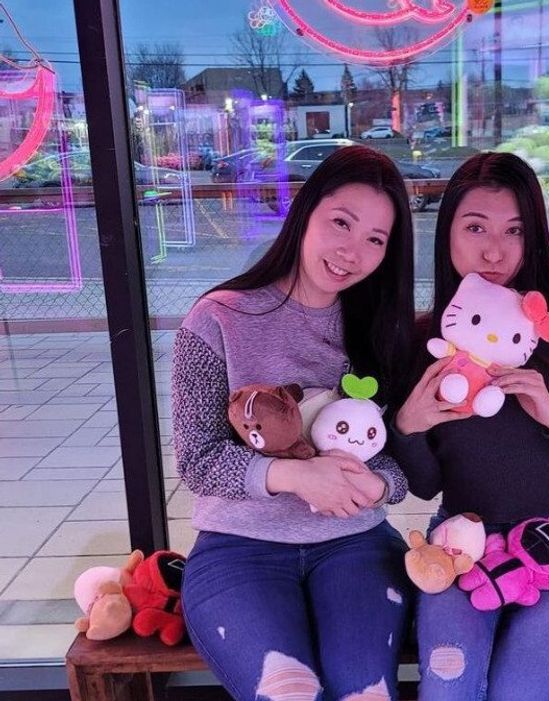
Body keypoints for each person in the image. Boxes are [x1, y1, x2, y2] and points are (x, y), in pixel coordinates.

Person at [172, 146, 418, 700]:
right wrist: (296, 477)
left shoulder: (380, 330)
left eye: (376, 240)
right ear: (306, 211)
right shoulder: (218, 318)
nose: (352, 252)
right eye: (341, 223)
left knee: (366, 693)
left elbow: (399, 463)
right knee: (288, 690)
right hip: (239, 546)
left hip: (356, 545)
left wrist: (379, 483)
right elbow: (197, 460)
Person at [390, 152, 549, 700]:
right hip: (460, 540)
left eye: (514, 231)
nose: (495, 251)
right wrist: (407, 424)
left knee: (522, 690)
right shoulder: (429, 341)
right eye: (476, 228)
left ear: (533, 238)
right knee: (448, 685)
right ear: (447, 234)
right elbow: (424, 485)